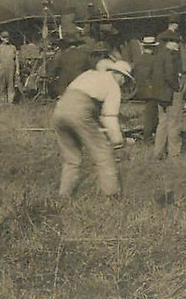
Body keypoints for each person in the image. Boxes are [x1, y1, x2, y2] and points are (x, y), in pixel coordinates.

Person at [50, 59, 133, 198]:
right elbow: (110, 117)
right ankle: (112, 195)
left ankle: (64, 195)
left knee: (71, 158)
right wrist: (117, 141)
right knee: (104, 154)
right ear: (119, 75)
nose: (124, 83)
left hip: (59, 111)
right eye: (125, 79)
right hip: (80, 113)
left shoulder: (88, 74)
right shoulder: (113, 85)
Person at [151, 31, 183, 159]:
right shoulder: (169, 56)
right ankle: (174, 154)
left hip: (160, 94)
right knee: (174, 123)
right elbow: (170, 76)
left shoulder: (158, 55)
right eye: (176, 42)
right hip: (170, 93)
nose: (178, 45)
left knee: (162, 123)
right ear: (170, 42)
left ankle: (158, 152)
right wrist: (178, 88)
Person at [131, 36, 159, 145]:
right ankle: (148, 137)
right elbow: (156, 76)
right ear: (152, 48)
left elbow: (136, 75)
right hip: (153, 90)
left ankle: (149, 135)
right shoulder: (154, 59)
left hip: (142, 90)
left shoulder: (139, 60)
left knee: (149, 113)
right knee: (152, 114)